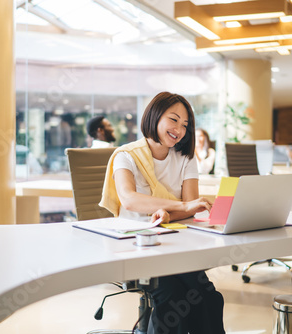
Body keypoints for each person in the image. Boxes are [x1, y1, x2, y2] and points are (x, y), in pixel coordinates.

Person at [99, 92, 225, 333]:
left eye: (185, 124)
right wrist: (179, 207)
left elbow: (190, 209)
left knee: (208, 297)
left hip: (177, 244)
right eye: (174, 119)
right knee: (174, 297)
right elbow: (129, 199)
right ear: (155, 116)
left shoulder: (186, 158)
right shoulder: (126, 156)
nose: (179, 129)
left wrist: (167, 214)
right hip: (136, 245)